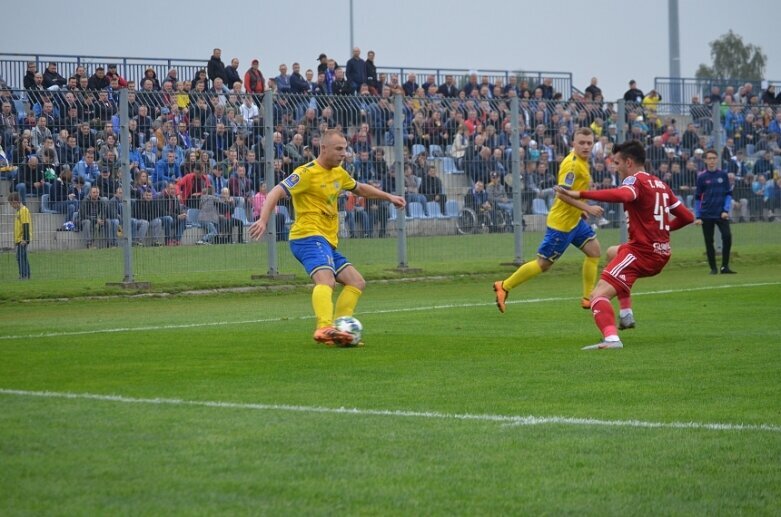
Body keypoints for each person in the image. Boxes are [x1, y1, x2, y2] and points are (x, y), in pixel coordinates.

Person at [249, 129, 406, 346]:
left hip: (326, 241)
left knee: (356, 282)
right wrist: (263, 220)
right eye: (339, 149)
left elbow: (360, 189)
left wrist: (388, 197)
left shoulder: (339, 173)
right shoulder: (306, 173)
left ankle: (340, 330)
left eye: (345, 149)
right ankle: (324, 327)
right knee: (326, 281)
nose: (344, 153)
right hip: (307, 236)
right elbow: (276, 191)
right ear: (324, 148)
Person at [554, 140, 694, 350]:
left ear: (629, 162)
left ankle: (611, 339)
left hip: (642, 253)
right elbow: (688, 217)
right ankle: (626, 313)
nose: (615, 166)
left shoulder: (634, 180)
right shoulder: (660, 184)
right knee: (612, 253)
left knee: (597, 296)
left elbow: (623, 195)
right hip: (661, 253)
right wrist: (661, 231)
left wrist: (581, 194)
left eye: (617, 162)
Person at [493, 128, 604, 313]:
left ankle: (588, 298)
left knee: (594, 251)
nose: (585, 146)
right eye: (581, 143)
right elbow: (561, 193)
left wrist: (579, 210)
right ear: (573, 143)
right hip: (562, 225)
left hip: (574, 221)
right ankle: (504, 286)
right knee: (543, 264)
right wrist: (587, 207)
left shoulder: (585, 161)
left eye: (589, 143)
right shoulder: (572, 165)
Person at [695, 149, 736, 275]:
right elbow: (697, 197)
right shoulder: (702, 177)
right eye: (709, 158)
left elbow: (728, 194)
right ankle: (713, 268)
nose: (712, 161)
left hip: (721, 214)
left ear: (717, 160)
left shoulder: (723, 175)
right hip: (706, 214)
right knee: (709, 241)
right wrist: (698, 216)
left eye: (714, 158)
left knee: (727, 237)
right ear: (705, 160)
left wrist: (726, 210)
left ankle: (725, 266)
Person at [9, 192, 31, 280]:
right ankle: (27, 275)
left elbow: (26, 224)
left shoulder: (24, 210)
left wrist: (25, 239)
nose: (11, 206)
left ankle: (23, 275)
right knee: (22, 257)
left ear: (16, 201)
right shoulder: (19, 211)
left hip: (22, 239)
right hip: (19, 239)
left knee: (21, 258)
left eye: (11, 204)